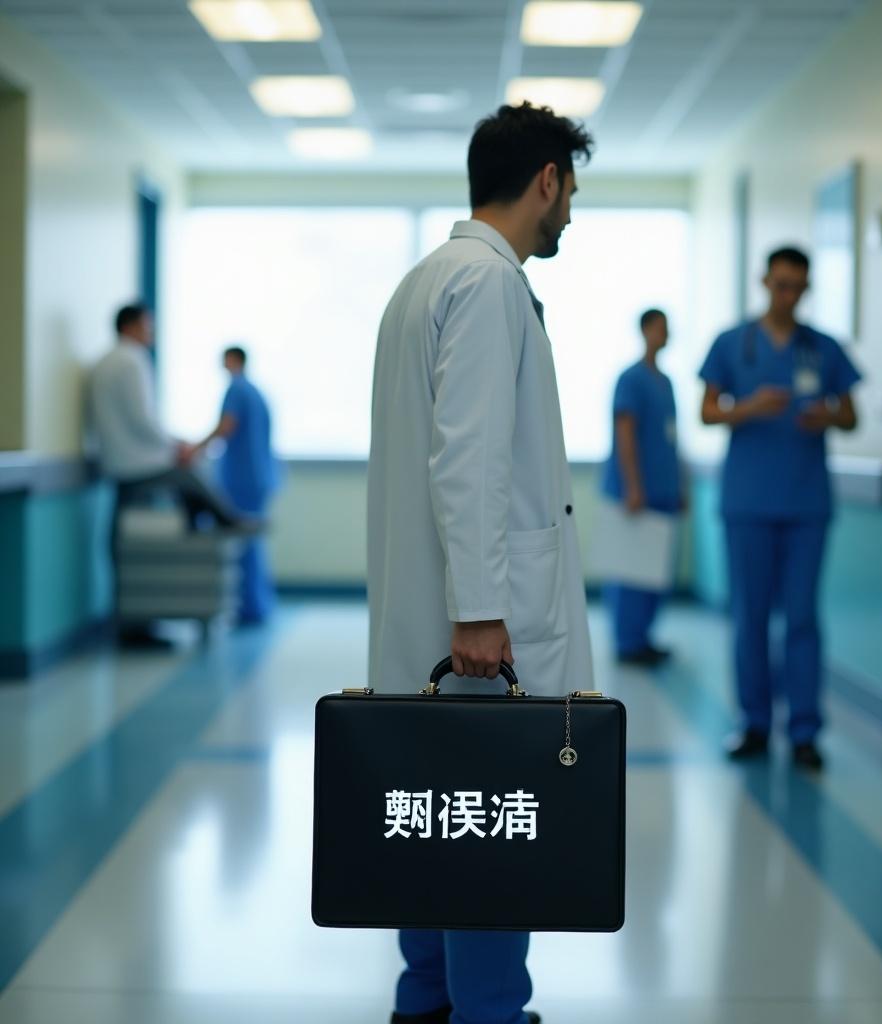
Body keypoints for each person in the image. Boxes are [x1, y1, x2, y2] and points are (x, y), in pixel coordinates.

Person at [368, 102, 595, 1024]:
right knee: (494, 830)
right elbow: (469, 459)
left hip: (430, 618)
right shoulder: (489, 284)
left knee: (433, 829)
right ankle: (492, 1013)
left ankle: (424, 1004)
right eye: (571, 191)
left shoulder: (424, 280)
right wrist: (479, 611)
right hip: (477, 634)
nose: (571, 214)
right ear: (545, 178)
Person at [698, 246, 861, 771]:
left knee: (802, 620)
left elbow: (852, 414)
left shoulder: (824, 348)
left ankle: (806, 731)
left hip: (806, 505)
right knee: (749, 618)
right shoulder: (732, 343)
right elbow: (707, 410)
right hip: (747, 504)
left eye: (796, 286)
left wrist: (828, 416)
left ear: (806, 289)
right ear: (763, 281)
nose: (787, 294)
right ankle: (754, 724)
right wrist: (748, 408)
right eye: (779, 283)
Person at [90, 303, 248, 531]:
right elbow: (142, 419)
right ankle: (224, 521)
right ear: (129, 327)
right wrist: (177, 446)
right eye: (147, 325)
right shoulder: (132, 360)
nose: (151, 331)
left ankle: (203, 525)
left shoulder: (105, 361)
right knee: (190, 475)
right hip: (135, 463)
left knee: (186, 482)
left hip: (116, 460)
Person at [600, 308, 684, 666]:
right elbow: (626, 431)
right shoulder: (631, 379)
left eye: (669, 329)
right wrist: (633, 485)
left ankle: (644, 637)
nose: (665, 335)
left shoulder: (665, 382)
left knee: (654, 570)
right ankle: (627, 642)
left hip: (663, 490)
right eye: (660, 329)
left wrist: (681, 485)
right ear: (645, 331)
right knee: (632, 570)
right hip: (637, 492)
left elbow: (671, 440)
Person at [193, 346, 280, 624]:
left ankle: (251, 607)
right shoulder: (256, 392)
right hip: (258, 476)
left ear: (234, 361)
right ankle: (257, 604)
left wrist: (196, 449)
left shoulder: (237, 390)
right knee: (252, 542)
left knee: (244, 541)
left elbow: (226, 427)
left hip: (243, 478)